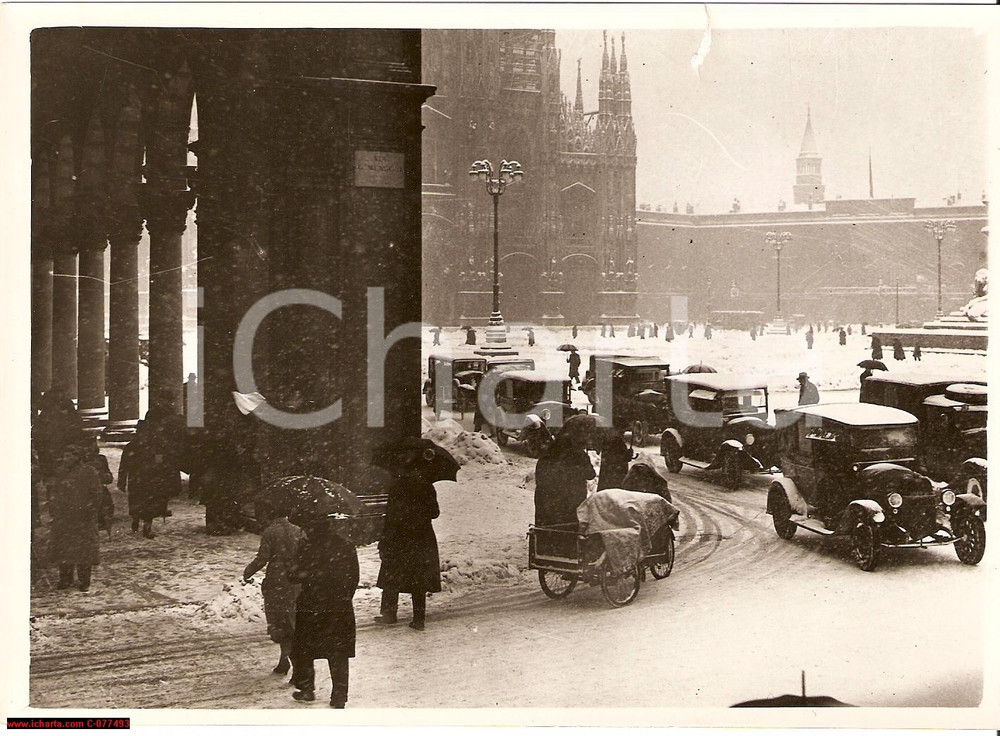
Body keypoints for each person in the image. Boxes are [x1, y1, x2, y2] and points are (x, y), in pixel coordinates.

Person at [288, 516, 359, 708]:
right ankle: (339, 695)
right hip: (339, 606)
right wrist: (343, 597)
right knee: (338, 651)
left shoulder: (307, 548)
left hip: (312, 605)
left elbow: (293, 576)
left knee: (304, 647)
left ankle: (307, 689)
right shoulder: (346, 546)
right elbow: (354, 577)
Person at [375, 448, 442, 631]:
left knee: (392, 573)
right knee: (418, 579)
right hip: (421, 538)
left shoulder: (397, 487)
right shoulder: (427, 487)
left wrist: (385, 540)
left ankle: (389, 614)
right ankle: (418, 619)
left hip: (399, 536)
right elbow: (435, 513)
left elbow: (390, 516)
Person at [243, 505, 305, 677]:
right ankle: (286, 661)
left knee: (279, 622)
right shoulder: (298, 530)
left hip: (277, 580)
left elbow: (263, 557)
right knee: (292, 621)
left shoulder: (270, 532)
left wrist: (248, 571)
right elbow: (305, 554)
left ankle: (289, 662)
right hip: (295, 580)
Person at [47, 444, 103, 591]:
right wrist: (54, 506)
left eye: (70, 456)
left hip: (83, 518)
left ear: (78, 457)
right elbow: (53, 491)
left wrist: (89, 509)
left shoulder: (89, 472)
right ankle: (65, 579)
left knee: (84, 550)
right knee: (64, 549)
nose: (66, 459)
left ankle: (84, 580)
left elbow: (97, 494)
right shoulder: (60, 472)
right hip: (64, 517)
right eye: (65, 456)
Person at [534, 429, 595, 527]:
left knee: (547, 529)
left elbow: (540, 478)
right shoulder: (579, 455)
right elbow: (591, 475)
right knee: (567, 529)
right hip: (571, 502)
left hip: (546, 503)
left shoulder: (547, 454)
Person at [596, 426, 635, 491]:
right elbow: (614, 459)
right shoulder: (615, 441)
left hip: (610, 476)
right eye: (621, 430)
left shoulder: (610, 439)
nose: (623, 432)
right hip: (615, 476)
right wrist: (626, 456)